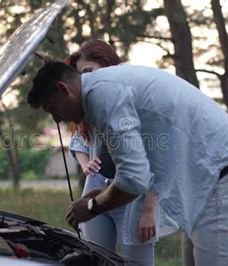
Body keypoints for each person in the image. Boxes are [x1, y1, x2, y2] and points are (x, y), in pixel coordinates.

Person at [27, 61, 228, 265]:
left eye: (52, 109)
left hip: (224, 177)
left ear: (63, 89)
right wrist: (110, 190)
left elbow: (133, 179)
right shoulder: (103, 88)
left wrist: (92, 207)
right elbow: (140, 163)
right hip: (205, 183)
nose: (57, 119)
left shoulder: (102, 95)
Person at [65, 40, 162, 265]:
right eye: (82, 75)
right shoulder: (88, 105)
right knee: (96, 258)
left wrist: (149, 210)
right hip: (95, 189)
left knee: (136, 261)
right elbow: (78, 138)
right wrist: (85, 162)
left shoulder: (131, 96)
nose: (86, 80)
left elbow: (154, 159)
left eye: (89, 71)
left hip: (133, 194)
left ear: (108, 65)